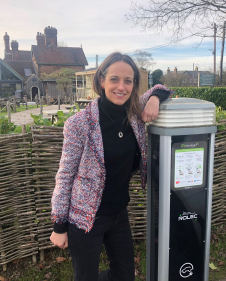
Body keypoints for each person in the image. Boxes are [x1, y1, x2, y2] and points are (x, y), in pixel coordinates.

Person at [50, 52, 173, 281]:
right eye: (114, 79)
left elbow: (162, 87)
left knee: (125, 276)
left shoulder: (134, 112)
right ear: (101, 81)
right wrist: (59, 225)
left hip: (118, 214)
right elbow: (65, 175)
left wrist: (155, 98)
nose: (121, 86)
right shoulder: (79, 124)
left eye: (128, 81)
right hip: (86, 218)